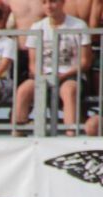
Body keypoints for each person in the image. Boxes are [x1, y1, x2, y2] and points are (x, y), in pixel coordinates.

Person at [13, 0, 91, 135]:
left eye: (53, 2)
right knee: (24, 89)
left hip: (72, 74)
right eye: (44, 2)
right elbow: (33, 62)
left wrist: (64, 75)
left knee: (68, 90)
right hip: (44, 75)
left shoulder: (78, 25)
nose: (48, 6)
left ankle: (70, 134)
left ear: (62, 3)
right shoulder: (37, 26)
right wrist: (40, 75)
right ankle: (18, 131)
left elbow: (85, 61)